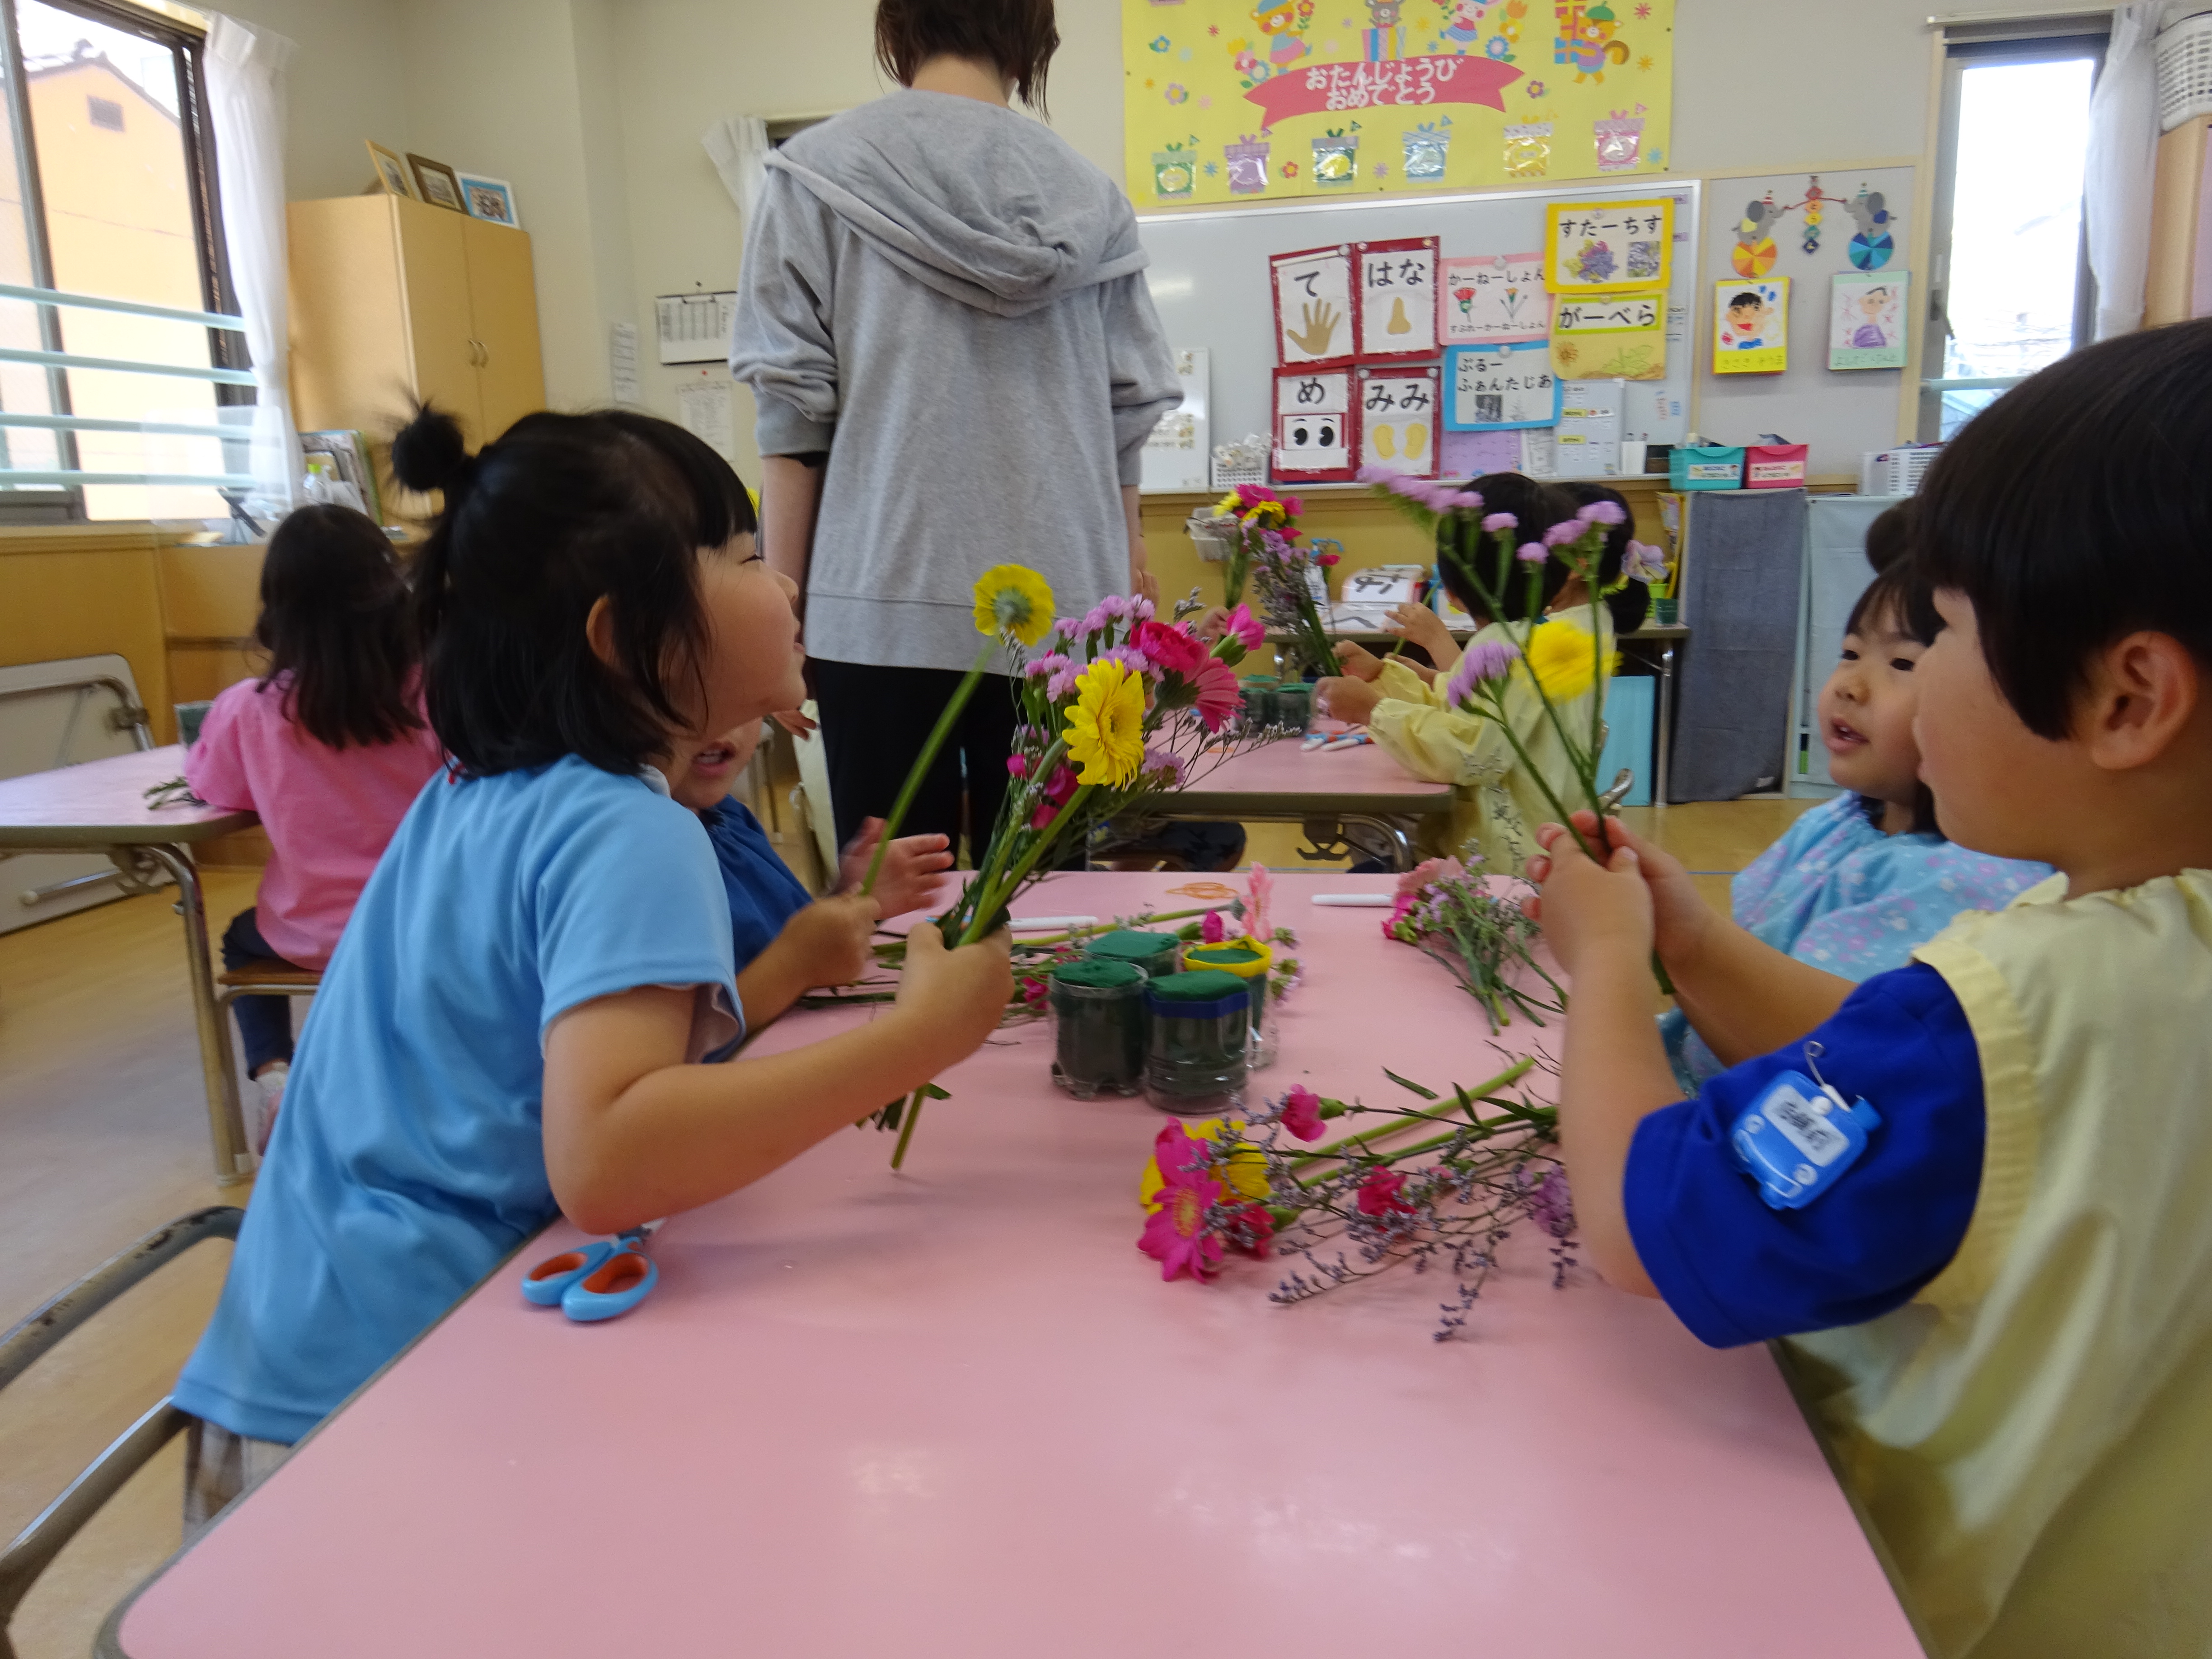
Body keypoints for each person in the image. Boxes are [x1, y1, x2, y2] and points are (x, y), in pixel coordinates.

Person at [170, 407, 1012, 1534]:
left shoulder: (480, 793)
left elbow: (594, 1064)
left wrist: (787, 972)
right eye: (745, 557)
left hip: (290, 1358)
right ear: (627, 639)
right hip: (400, 1410)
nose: (784, 585)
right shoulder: (630, 829)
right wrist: (919, 1040)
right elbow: (609, 1161)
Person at [1525, 319, 2212, 1658]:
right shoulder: (2128, 940)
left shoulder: (1998, 1008)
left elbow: (1640, 1228)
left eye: (1938, 633)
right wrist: (1694, 946)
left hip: (1913, 1604)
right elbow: (1931, 1083)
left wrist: (1605, 963)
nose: (1898, 677)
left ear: (2129, 698)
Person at [730, 0, 1181, 858]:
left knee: (894, 907)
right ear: (1032, 39)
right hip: (1065, 614)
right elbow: (1129, 416)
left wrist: (780, 608)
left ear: (898, 27)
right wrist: (1121, 585)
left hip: (877, 605)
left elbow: (793, 418)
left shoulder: (814, 173)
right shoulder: (1094, 201)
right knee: (1049, 901)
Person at [1659, 558, 2051, 1087]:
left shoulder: (1969, 884)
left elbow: (1824, 1065)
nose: (1851, 685)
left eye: (1903, 663)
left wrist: (1675, 946)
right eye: (1850, 654)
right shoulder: (1838, 821)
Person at [183, 504, 445, 1152]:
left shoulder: (248, 708)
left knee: (240, 940)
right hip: (428, 928)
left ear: (278, 608)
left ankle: (276, 1075)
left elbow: (214, 789)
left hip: (309, 933)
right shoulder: (434, 691)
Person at [1314, 473, 1630, 873]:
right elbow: (1459, 705)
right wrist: (1381, 677)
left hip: (1496, 867)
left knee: (1366, 845)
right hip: (1534, 845)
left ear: (1453, 590)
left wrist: (1373, 711)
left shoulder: (1508, 645)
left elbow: (1471, 750)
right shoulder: (1537, 636)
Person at [668, 719, 953, 1026]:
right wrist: (794, 966)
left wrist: (849, 897)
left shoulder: (730, 816)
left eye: (738, 704)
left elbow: (785, 929)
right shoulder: (653, 864)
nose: (719, 725)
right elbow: (686, 1035)